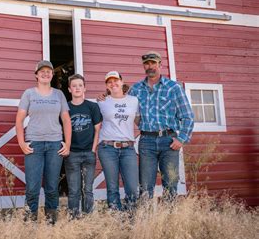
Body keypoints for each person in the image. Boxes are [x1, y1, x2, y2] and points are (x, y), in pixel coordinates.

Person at [129, 51, 194, 199]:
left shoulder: (173, 88)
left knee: (170, 184)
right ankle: (147, 220)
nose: (150, 66)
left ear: (160, 65)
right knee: (145, 185)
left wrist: (182, 138)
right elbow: (124, 104)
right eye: (146, 63)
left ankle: (169, 220)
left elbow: (188, 116)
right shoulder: (136, 89)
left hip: (169, 140)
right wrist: (105, 95)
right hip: (146, 141)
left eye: (153, 63)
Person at [16, 60, 72, 223]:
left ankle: (50, 223)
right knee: (32, 187)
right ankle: (29, 223)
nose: (46, 74)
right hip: (35, 145)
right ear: (36, 75)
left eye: (49, 71)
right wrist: (22, 143)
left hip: (55, 144)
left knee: (52, 187)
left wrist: (67, 143)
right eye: (42, 71)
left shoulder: (58, 94)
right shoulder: (29, 94)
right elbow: (19, 120)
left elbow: (66, 120)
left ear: (52, 75)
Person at [97, 71, 139, 210]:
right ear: (106, 86)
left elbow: (139, 120)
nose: (113, 84)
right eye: (109, 82)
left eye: (116, 80)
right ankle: (116, 219)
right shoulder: (101, 102)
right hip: (107, 148)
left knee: (132, 187)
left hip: (128, 148)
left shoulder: (133, 101)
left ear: (122, 82)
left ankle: (131, 218)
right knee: (112, 187)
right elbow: (95, 124)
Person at [65, 74, 102, 219]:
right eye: (74, 86)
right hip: (72, 154)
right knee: (74, 189)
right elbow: (59, 129)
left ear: (85, 88)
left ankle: (88, 219)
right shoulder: (65, 108)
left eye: (80, 85)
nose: (77, 88)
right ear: (69, 89)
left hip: (88, 153)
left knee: (88, 189)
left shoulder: (92, 107)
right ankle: (73, 218)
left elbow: (97, 129)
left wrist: (93, 150)